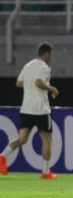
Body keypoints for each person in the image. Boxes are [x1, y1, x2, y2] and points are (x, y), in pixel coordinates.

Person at [0, 42, 59, 178]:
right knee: (47, 138)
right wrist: (52, 89)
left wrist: (30, 86)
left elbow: (19, 82)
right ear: (47, 54)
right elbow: (38, 82)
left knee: (22, 138)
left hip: (26, 108)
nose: (51, 57)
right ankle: (45, 171)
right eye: (51, 54)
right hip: (41, 109)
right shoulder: (44, 67)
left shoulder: (28, 65)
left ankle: (2, 156)